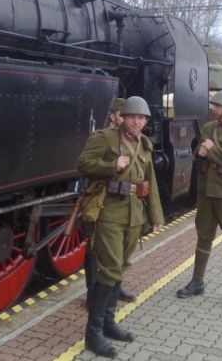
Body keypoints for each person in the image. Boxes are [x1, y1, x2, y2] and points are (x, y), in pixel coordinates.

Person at [77, 96, 164, 358]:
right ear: (122, 117)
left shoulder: (144, 144)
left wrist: (155, 214)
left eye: (142, 118)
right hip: (110, 212)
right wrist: (110, 165)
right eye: (132, 116)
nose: (137, 121)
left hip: (134, 214)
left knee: (120, 268)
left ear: (146, 121)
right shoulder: (105, 138)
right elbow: (82, 163)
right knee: (110, 268)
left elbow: (151, 182)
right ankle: (92, 335)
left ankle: (109, 323)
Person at [176, 90, 222, 309]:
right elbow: (199, 156)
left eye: (216, 105)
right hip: (206, 192)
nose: (212, 108)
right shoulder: (209, 128)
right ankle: (197, 282)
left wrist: (212, 150)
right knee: (204, 236)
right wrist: (199, 153)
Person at [84, 98, 137, 303]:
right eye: (122, 114)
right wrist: (111, 165)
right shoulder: (102, 137)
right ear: (114, 116)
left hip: (119, 203)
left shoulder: (130, 139)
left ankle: (116, 287)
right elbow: (86, 164)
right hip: (98, 200)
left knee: (117, 253)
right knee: (93, 248)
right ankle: (91, 292)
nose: (126, 119)